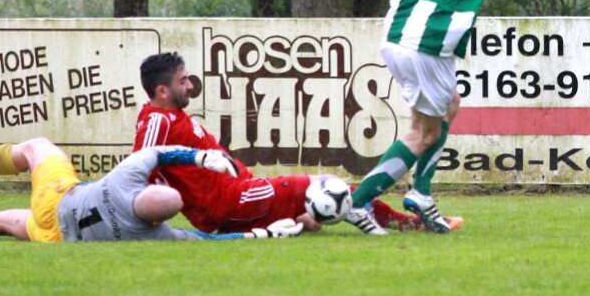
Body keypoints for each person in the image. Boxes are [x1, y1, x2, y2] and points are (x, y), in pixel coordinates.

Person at [349, 0, 590, 233]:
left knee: (449, 104)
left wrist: (415, 0)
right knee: (422, 133)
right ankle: (359, 203)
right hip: (429, 43)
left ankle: (422, 192)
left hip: (396, 33)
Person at [133, 52, 463, 236]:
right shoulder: (158, 120)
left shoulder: (170, 118)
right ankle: (413, 224)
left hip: (234, 200)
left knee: (311, 218)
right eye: (182, 81)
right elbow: (138, 167)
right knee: (329, 186)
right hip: (233, 200)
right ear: (162, 91)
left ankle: (306, 220)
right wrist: (134, 217)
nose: (190, 85)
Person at [0, 136, 303, 243]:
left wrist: (199, 157)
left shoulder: (124, 181)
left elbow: (158, 153)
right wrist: (260, 234)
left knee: (37, 147)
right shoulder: (154, 237)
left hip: (58, 199)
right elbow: (207, 240)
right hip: (58, 238)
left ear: (146, 193)